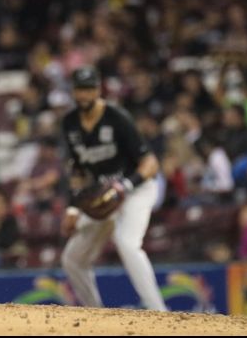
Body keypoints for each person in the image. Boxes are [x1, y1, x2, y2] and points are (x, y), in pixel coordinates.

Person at [60, 66, 167, 310]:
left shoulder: (117, 117)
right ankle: (94, 314)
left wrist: (126, 186)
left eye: (89, 89)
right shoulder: (69, 123)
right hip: (103, 196)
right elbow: (77, 170)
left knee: (126, 242)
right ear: (73, 92)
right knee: (72, 258)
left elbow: (150, 163)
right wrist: (73, 208)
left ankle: (159, 313)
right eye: (80, 89)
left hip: (136, 190)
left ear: (98, 90)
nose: (84, 95)